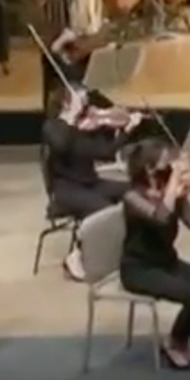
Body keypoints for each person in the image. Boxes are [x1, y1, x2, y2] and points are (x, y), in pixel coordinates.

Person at [118, 139, 190, 370]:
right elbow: (161, 216)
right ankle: (175, 342)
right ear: (149, 169)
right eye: (166, 163)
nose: (171, 166)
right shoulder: (132, 197)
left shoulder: (171, 190)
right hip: (139, 269)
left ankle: (184, 334)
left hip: (166, 261)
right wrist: (175, 181)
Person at [42, 88, 139, 279]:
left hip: (89, 183)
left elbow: (105, 152)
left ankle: (132, 252)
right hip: (66, 190)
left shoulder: (78, 128)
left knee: (133, 192)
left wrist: (126, 131)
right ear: (66, 104)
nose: (86, 104)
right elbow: (61, 143)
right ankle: (76, 256)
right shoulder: (52, 127)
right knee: (105, 210)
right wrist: (74, 119)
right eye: (79, 99)